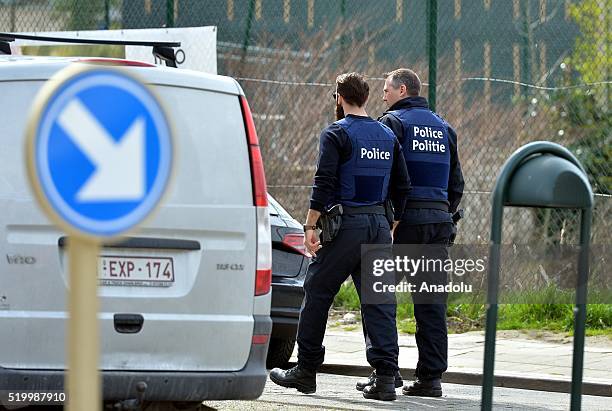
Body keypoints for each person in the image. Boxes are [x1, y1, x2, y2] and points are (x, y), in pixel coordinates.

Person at [269, 72, 411, 401]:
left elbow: (324, 181)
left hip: (346, 227)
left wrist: (309, 226)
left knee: (317, 291)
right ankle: (386, 377)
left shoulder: (337, 133)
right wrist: (392, 222)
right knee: (379, 301)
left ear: (339, 97)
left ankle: (305, 371)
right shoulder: (387, 135)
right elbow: (403, 186)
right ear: (365, 97)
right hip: (377, 226)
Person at [357, 68, 464, 397]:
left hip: (404, 226)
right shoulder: (444, 127)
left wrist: (389, 219)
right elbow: (456, 184)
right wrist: (444, 214)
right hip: (438, 224)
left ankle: (385, 375)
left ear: (402, 89)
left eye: (386, 89)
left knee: (378, 296)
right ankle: (430, 380)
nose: (383, 96)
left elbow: (385, 176)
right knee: (431, 304)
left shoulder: (393, 124)